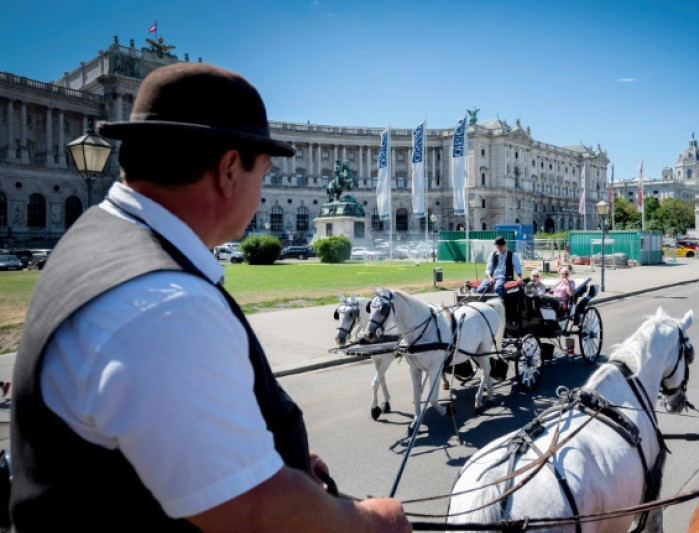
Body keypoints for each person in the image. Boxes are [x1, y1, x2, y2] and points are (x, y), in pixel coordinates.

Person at [11, 63, 409, 532]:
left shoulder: (97, 240)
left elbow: (160, 429)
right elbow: (255, 510)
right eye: (262, 172)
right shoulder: (165, 304)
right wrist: (369, 522)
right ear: (227, 171)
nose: (262, 189)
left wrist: (264, 454)